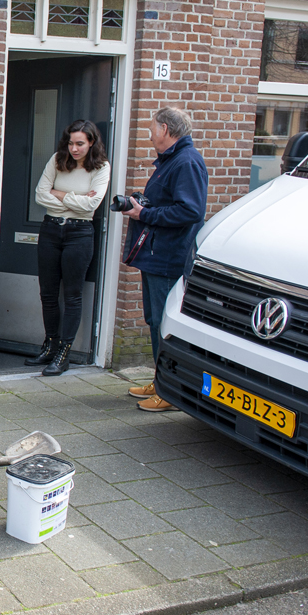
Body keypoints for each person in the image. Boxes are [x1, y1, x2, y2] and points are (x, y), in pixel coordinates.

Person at [121, 106, 209, 412]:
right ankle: (161, 380)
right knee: (154, 319)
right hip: (156, 255)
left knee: (165, 323)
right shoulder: (173, 161)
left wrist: (144, 214)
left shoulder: (186, 162)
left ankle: (170, 391)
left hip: (169, 257)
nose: (149, 135)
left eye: (152, 129)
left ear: (166, 130)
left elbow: (190, 211)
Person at [27, 119, 111, 376]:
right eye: (71, 143)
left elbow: (91, 206)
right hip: (51, 230)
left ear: (91, 143)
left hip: (80, 233)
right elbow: (40, 195)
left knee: (73, 294)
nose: (74, 149)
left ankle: (64, 353)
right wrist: (77, 200)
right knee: (48, 293)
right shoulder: (57, 160)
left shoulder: (101, 167)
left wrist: (59, 194)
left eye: (80, 144)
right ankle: (50, 345)